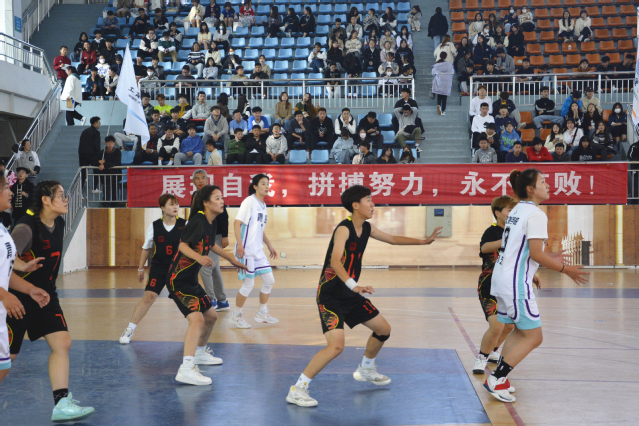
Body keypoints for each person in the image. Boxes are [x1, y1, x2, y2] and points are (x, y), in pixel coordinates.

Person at [287, 185, 442, 407]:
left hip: (350, 294)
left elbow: (392, 239)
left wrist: (423, 241)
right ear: (355, 205)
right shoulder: (344, 229)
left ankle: (366, 369)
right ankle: (297, 389)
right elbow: (335, 261)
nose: (373, 204)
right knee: (336, 347)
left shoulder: (367, 228)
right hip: (331, 296)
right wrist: (354, 285)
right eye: (368, 200)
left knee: (383, 329)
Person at [486, 170, 588, 402]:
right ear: (530, 189)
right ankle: (496, 379)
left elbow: (518, 248)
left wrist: (545, 260)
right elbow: (535, 254)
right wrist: (566, 270)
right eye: (543, 181)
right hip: (514, 283)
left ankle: (500, 376)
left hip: (503, 278)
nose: (548, 185)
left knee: (521, 331)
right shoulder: (536, 214)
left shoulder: (517, 210)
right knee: (534, 337)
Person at [8, 181, 96, 420]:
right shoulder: (25, 229)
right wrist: (25, 281)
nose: (65, 199)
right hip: (17, 297)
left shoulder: (59, 223)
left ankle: (62, 404)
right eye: (60, 195)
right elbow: (4, 264)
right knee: (8, 356)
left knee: (62, 343)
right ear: (45, 200)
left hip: (46, 295)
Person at [168, 186, 246, 386]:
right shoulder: (198, 220)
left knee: (211, 316)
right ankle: (186, 369)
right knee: (197, 320)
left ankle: (200, 353)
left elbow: (211, 245)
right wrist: (199, 258)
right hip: (179, 280)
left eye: (222, 198)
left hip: (190, 280)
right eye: (217, 198)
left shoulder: (210, 222)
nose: (222, 201)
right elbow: (183, 245)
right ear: (206, 202)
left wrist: (232, 260)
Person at [119, 194, 186, 344]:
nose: (175, 207)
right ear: (162, 207)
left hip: (178, 269)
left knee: (185, 300)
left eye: (177, 204)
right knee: (148, 297)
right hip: (159, 268)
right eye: (171, 204)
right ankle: (129, 329)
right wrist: (140, 268)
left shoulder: (185, 224)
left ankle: (196, 330)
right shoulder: (155, 226)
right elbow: (146, 248)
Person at [472, 195, 517, 375]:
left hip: (508, 286)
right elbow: (484, 248)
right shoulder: (491, 231)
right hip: (489, 285)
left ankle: (493, 351)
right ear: (498, 213)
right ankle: (481, 358)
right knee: (497, 325)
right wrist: (505, 240)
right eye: (509, 210)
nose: (512, 214)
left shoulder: (516, 232)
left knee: (509, 326)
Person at [229, 175, 278, 328]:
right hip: (246, 251)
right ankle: (236, 315)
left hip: (258, 251)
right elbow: (237, 223)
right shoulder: (249, 201)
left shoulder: (263, 205)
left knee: (269, 280)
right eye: (263, 183)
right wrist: (239, 245)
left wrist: (269, 245)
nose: (267, 186)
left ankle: (262, 313)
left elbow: (259, 229)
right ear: (255, 186)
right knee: (248, 285)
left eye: (268, 183)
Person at [432, 52, 454, 116]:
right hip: (447, 83)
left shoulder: (437, 65)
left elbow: (433, 73)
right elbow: (452, 72)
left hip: (439, 82)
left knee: (439, 95)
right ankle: (443, 111)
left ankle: (438, 105)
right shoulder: (449, 65)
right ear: (446, 56)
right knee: (444, 97)